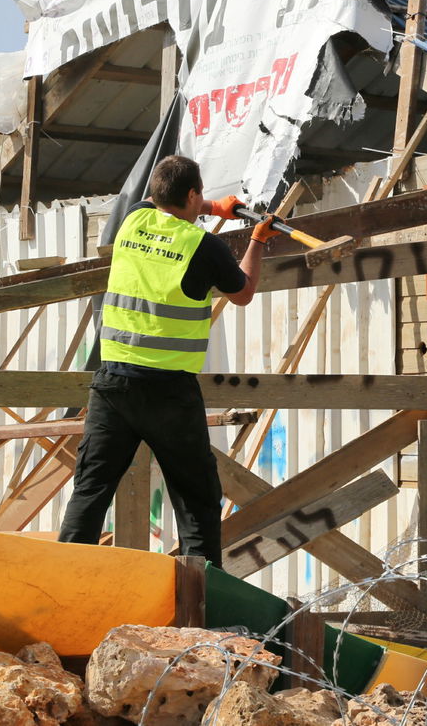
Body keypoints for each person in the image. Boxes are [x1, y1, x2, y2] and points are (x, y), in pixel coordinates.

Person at [57, 156, 277, 565]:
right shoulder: (203, 246)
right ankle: (200, 602)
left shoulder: (133, 222)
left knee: (91, 490)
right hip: (169, 393)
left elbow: (155, 199)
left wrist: (213, 207)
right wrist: (257, 240)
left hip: (113, 384)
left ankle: (64, 582)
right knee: (196, 500)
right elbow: (243, 292)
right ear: (191, 194)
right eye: (198, 197)